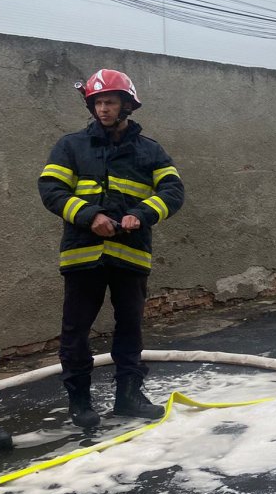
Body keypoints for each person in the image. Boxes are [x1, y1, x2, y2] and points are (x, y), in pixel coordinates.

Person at [38, 69, 185, 429]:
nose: (102, 109)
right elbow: (51, 190)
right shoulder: (70, 146)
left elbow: (173, 191)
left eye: (110, 102)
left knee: (130, 329)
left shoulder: (150, 150)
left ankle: (129, 397)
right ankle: (80, 402)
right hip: (82, 254)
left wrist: (142, 214)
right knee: (76, 331)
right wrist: (90, 217)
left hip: (131, 255)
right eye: (97, 102)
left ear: (127, 105)